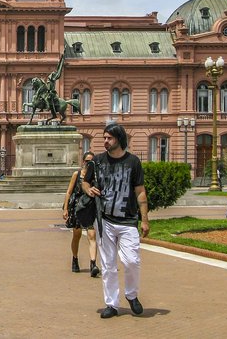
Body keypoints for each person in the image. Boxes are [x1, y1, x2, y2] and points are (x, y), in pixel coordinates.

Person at [83, 123, 148, 319]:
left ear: (119, 139)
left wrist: (145, 219)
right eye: (104, 137)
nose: (105, 141)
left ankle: (131, 295)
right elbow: (85, 181)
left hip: (128, 220)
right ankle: (111, 304)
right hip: (105, 221)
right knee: (108, 265)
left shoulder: (133, 162)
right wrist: (88, 189)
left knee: (131, 261)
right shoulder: (98, 161)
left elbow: (140, 191)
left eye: (109, 138)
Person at [63, 152, 99, 277]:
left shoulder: (95, 176)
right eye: (87, 161)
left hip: (89, 208)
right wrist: (65, 208)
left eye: (92, 161)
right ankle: (75, 259)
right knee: (77, 235)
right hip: (77, 208)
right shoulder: (77, 174)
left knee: (92, 235)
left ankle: (93, 263)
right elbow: (69, 192)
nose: (89, 163)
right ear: (83, 162)